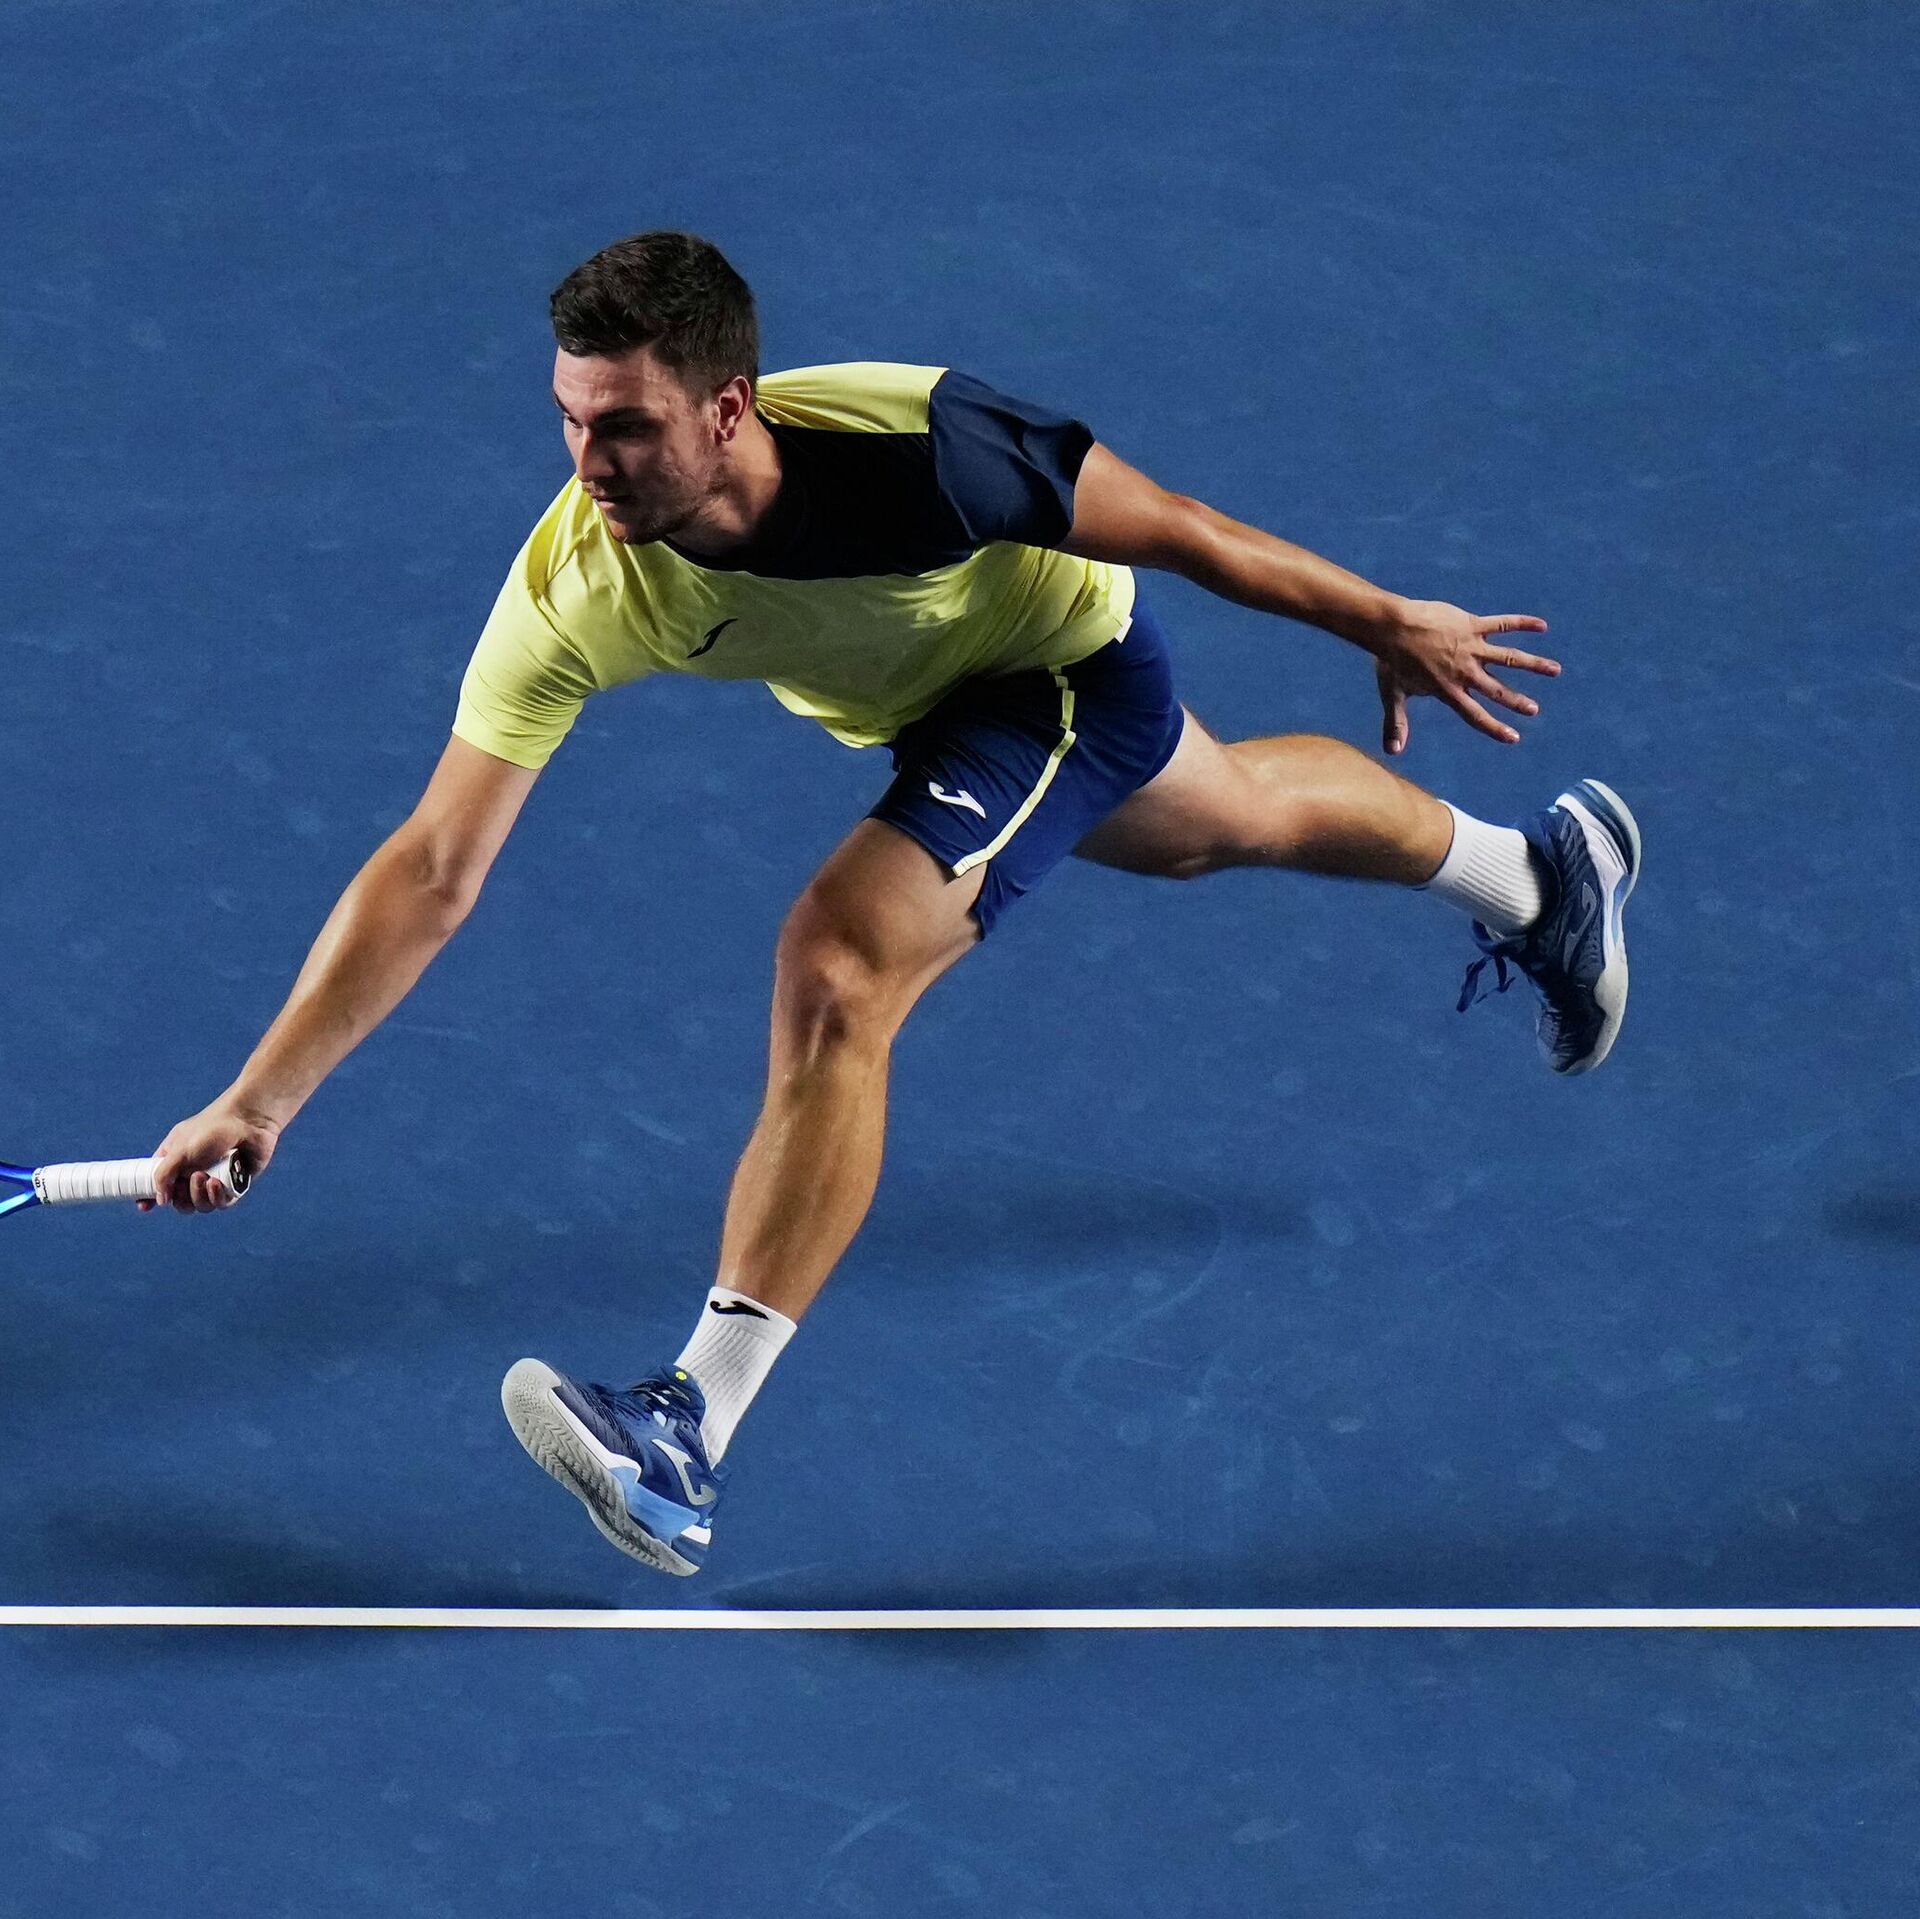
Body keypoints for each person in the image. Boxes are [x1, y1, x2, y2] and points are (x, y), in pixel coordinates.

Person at [145, 230, 1639, 1577]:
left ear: (728, 409)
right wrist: (259, 1099)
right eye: (570, 421)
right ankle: (1538, 877)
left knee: (840, 963)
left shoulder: (924, 446)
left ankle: (687, 1427)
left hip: (1056, 669)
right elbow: (433, 864)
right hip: (921, 707)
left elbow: (1178, 525)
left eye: (627, 426)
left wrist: (1385, 618)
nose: (590, 465)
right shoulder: (577, 587)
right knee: (1221, 821)